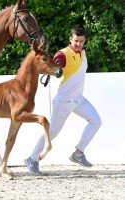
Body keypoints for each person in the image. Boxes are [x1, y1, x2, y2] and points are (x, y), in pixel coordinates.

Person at [24, 27, 102, 175]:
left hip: (78, 99)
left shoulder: (82, 54)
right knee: (52, 132)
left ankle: (78, 153)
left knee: (96, 121)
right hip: (64, 101)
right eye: (76, 41)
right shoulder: (63, 54)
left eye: (81, 41)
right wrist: (53, 69)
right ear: (70, 39)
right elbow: (53, 65)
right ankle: (32, 159)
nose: (78, 44)